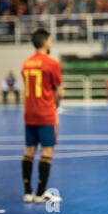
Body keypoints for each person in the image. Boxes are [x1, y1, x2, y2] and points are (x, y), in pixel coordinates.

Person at [21, 28, 64, 203]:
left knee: (29, 150)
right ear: (46, 41)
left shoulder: (25, 63)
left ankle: (27, 192)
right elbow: (59, 92)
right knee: (47, 151)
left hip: (29, 113)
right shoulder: (53, 63)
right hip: (45, 113)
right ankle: (40, 194)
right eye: (50, 40)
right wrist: (56, 107)